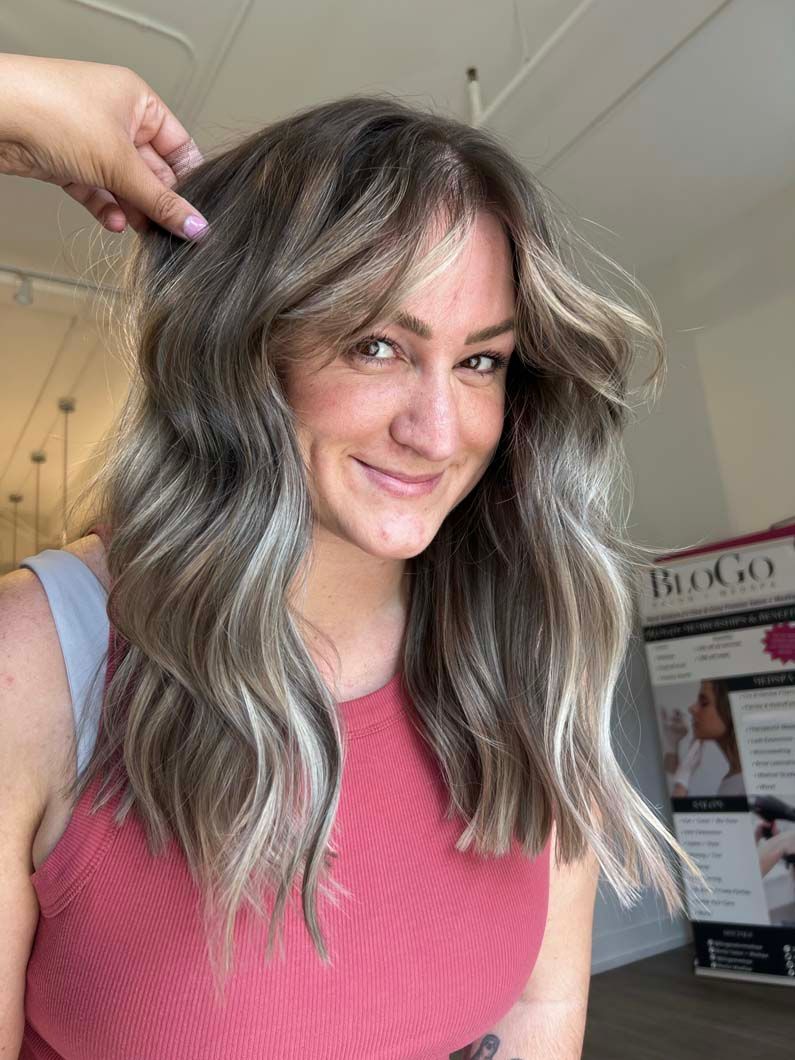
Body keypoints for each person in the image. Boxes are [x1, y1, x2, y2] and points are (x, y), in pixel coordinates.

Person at [0, 54, 703, 1060]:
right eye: (376, 344)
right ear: (249, 349)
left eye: (481, 361)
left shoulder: (526, 644)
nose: (440, 426)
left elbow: (540, 1012)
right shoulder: (39, 662)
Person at [661, 679, 745, 798]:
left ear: (730, 710)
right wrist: (671, 745)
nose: (692, 708)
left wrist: (683, 780)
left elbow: (674, 812)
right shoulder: (734, 776)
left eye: (704, 703)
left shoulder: (746, 782)